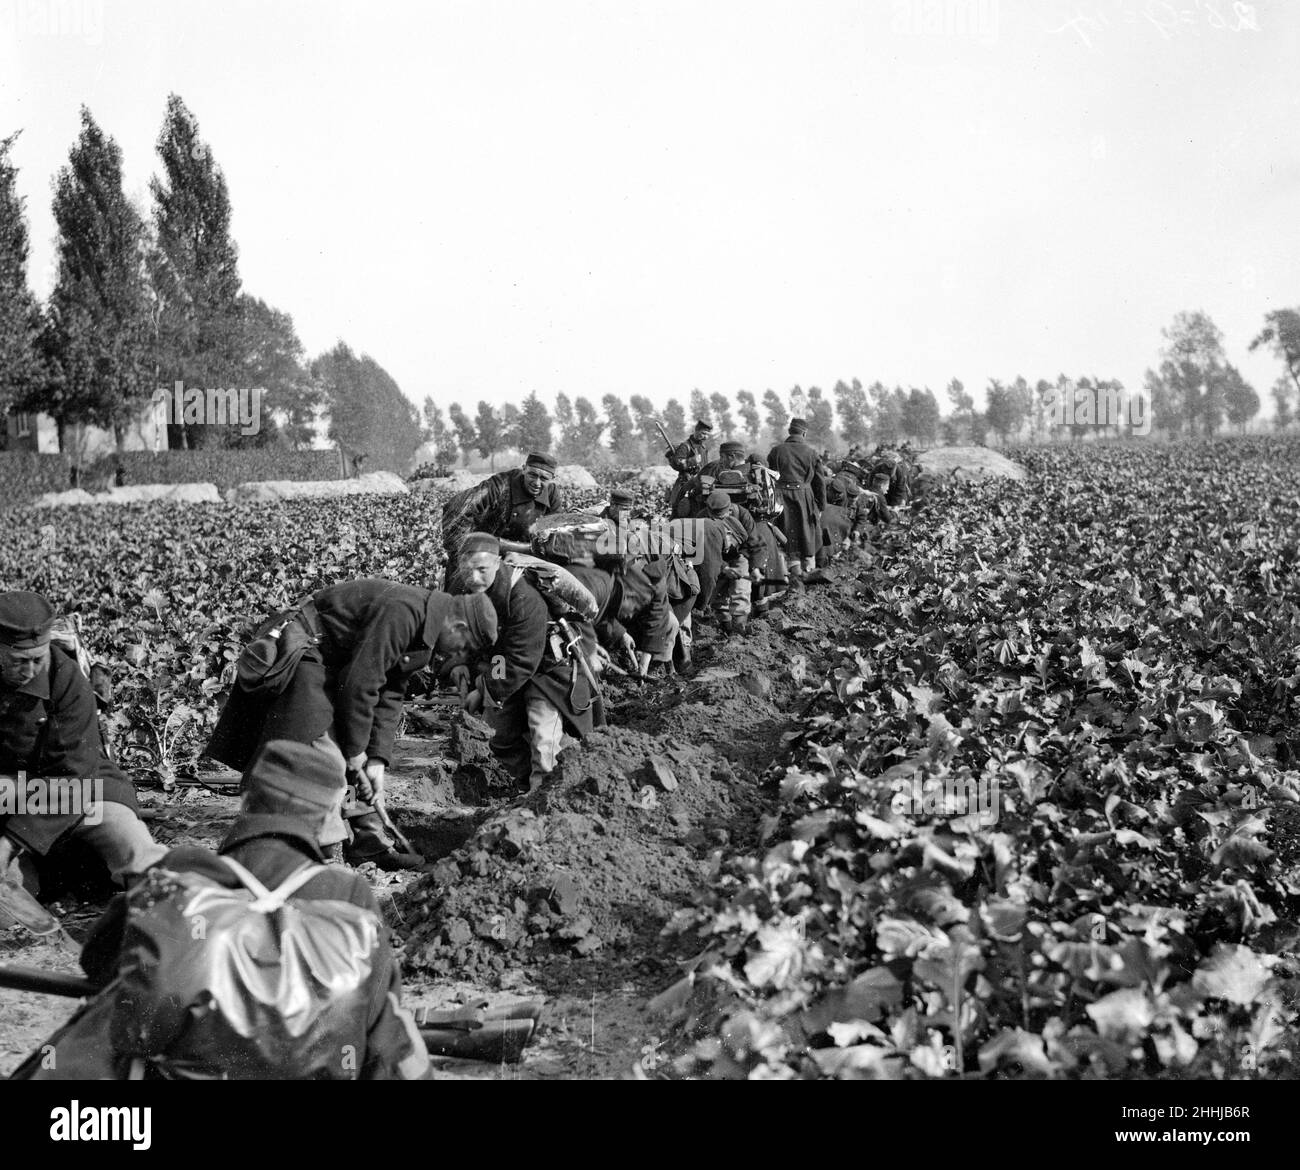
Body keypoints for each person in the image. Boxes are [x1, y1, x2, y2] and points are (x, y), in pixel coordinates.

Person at [11, 739, 432, 1081]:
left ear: (247, 800)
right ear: (326, 819)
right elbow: (384, 1036)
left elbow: (99, 963)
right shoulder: (349, 895)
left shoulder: (180, 872)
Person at [206, 580, 498, 871]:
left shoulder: (426, 632)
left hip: (339, 665)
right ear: (458, 627)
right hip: (308, 651)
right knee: (322, 753)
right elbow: (359, 686)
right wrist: (357, 752)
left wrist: (377, 761)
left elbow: (391, 692)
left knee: (356, 751)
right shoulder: (404, 613)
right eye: (464, 648)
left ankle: (367, 844)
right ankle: (305, 846)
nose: (458, 656)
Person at [0, 591, 165, 895]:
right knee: (12, 893)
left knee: (134, 848)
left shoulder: (65, 679)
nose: (31, 671)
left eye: (38, 659)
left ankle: (183, 908)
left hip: (81, 788)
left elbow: (76, 773)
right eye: (19, 661)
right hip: (9, 795)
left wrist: (11, 841)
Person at [455, 534, 605, 791]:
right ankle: (530, 786)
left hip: (549, 670)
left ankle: (543, 798)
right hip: (514, 665)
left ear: (497, 563)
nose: (474, 578)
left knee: (543, 737)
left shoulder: (523, 596)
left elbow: (523, 657)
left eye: (482, 570)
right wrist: (471, 672)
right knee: (499, 735)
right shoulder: (477, 592)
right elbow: (498, 648)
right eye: (468, 571)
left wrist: (483, 688)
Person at [441, 453, 564, 590]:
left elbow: (556, 534)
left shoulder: (552, 495)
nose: (537, 483)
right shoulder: (500, 486)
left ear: (553, 479)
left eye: (544, 478)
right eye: (532, 475)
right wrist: (462, 553)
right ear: (524, 469)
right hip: (480, 560)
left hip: (520, 562)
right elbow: (455, 508)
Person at [767, 417, 827, 589]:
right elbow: (819, 482)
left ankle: (791, 573)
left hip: (781, 496)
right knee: (806, 533)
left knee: (786, 533)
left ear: (789, 431)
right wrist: (821, 506)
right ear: (804, 433)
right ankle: (807, 571)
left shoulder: (776, 451)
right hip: (804, 496)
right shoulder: (811, 452)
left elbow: (770, 477)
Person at [665, 420, 713, 516]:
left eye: (707, 434)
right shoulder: (685, 446)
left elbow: (705, 465)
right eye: (703, 433)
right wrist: (692, 461)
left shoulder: (703, 448)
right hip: (686, 482)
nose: (705, 437)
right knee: (681, 512)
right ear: (696, 430)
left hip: (701, 483)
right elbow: (677, 463)